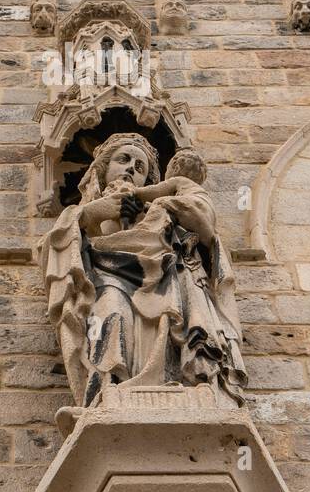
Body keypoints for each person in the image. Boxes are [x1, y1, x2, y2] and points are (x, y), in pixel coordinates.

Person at [40, 133, 246, 406]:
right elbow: (53, 248)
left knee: (170, 316)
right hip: (106, 276)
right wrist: (93, 213)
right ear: (103, 167)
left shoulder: (158, 209)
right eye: (123, 160)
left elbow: (203, 233)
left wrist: (163, 203)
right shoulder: (79, 213)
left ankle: (180, 388)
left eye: (140, 168)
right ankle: (106, 392)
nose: (130, 169)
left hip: (161, 277)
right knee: (111, 312)